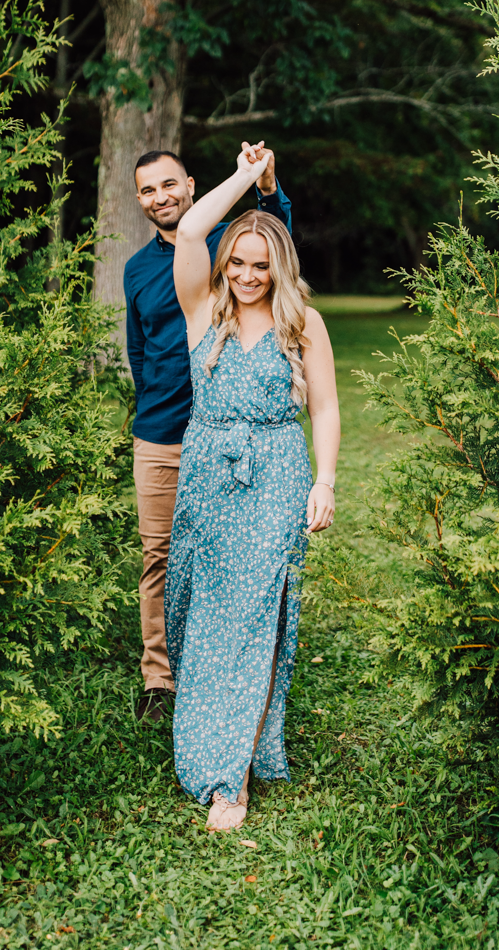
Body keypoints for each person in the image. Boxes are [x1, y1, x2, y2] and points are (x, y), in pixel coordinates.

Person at [165, 142, 340, 831]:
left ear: (279, 268)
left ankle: (228, 778)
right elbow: (187, 230)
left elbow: (324, 408)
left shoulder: (304, 323)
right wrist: (246, 179)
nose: (244, 275)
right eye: (236, 262)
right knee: (196, 615)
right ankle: (215, 732)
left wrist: (323, 480)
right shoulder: (203, 310)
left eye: (260, 266)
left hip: (274, 475)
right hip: (206, 473)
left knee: (251, 616)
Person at [124, 145, 293, 722]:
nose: (160, 197)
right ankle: (159, 677)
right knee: (160, 557)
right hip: (162, 433)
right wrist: (157, 405)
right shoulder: (137, 270)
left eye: (169, 185)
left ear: (191, 185)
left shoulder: (224, 245)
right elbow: (139, 352)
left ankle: (221, 668)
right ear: (141, 200)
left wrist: (263, 186)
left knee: (226, 556)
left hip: (227, 438)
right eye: (147, 190)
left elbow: (277, 248)